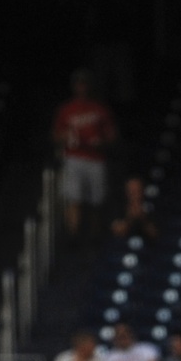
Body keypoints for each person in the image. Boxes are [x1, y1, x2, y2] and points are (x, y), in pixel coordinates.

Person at [52, 68, 117, 241]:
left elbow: (112, 135)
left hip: (96, 158)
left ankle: (95, 235)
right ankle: (73, 234)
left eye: (84, 83)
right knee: (74, 198)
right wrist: (65, 136)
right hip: (74, 157)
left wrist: (102, 142)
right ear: (74, 86)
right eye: (78, 83)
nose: (81, 87)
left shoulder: (99, 108)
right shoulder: (66, 109)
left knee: (97, 200)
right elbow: (56, 135)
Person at [111, 176, 158, 241]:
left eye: (137, 190)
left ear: (142, 190)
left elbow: (155, 234)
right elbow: (117, 232)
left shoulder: (151, 207)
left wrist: (143, 218)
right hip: (123, 245)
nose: (134, 193)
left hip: (149, 246)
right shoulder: (118, 207)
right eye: (131, 190)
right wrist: (130, 218)